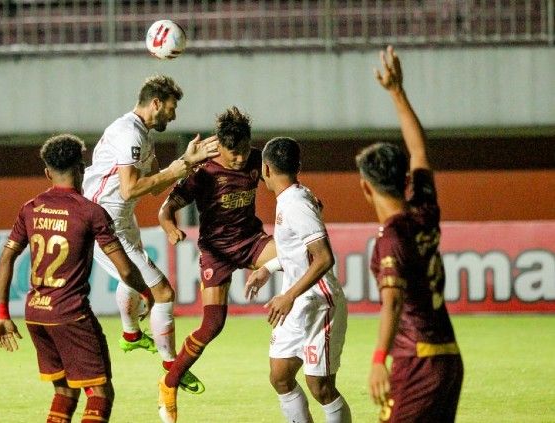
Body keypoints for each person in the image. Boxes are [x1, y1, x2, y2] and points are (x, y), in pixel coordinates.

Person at [0, 134, 154, 423]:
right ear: (82, 169)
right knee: (101, 393)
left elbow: (6, 258)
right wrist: (147, 293)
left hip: (36, 314)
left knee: (65, 392)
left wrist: (2, 313)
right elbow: (126, 269)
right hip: (71, 315)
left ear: (47, 172)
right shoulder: (91, 212)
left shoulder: (30, 209)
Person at [82, 75, 219, 395]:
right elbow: (131, 187)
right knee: (163, 294)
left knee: (129, 280)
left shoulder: (141, 134)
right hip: (104, 220)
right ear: (155, 103)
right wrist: (180, 165)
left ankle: (131, 336)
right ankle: (172, 365)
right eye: (171, 108)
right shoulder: (129, 133)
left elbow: (156, 186)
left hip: (120, 217)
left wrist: (187, 164)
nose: (174, 116)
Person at [357, 46, 463, 422]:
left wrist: (377, 360)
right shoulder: (424, 208)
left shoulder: (391, 238)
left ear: (366, 189)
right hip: (448, 358)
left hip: (416, 361)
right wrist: (397, 91)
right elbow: (418, 150)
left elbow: (393, 303)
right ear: (403, 180)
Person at [156, 106, 278, 422]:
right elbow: (166, 209)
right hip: (217, 252)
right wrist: (170, 227)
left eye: (243, 149)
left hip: (252, 242)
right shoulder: (204, 173)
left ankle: (299, 345)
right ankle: (169, 383)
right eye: (232, 152)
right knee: (213, 324)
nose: (239, 158)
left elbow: (283, 183)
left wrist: (303, 200)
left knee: (299, 255)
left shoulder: (256, 159)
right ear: (219, 146)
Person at [243, 137, 352, 423]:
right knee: (280, 376)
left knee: (321, 387)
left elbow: (324, 258)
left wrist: (288, 295)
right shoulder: (292, 198)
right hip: (297, 304)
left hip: (319, 304)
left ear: (266, 169)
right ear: (298, 166)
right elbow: (297, 252)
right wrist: (269, 268)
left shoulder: (296, 204)